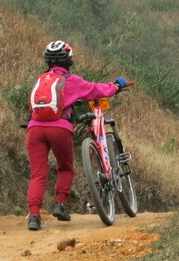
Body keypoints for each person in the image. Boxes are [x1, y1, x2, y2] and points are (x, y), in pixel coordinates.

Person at [25, 40, 128, 231]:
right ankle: (60, 205)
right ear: (68, 61)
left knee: (38, 175)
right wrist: (116, 85)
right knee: (65, 169)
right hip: (60, 129)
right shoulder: (73, 81)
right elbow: (99, 90)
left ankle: (34, 217)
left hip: (35, 129)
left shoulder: (41, 80)